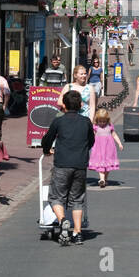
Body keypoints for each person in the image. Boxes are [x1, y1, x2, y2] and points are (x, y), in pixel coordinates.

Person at [41, 90, 95, 245]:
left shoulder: (59, 121)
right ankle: (77, 233)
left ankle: (63, 219)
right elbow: (91, 141)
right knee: (77, 198)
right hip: (80, 165)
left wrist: (47, 150)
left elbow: (47, 139)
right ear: (80, 105)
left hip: (62, 164)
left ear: (63, 105)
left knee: (56, 196)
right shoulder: (86, 122)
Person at [88, 108, 124, 188]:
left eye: (104, 121)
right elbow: (92, 137)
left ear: (107, 120)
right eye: (100, 121)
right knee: (101, 166)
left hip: (109, 148)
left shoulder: (109, 126)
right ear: (97, 120)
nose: (102, 123)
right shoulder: (95, 127)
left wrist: (119, 143)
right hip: (99, 149)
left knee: (108, 167)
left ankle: (105, 179)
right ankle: (102, 179)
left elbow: (114, 135)